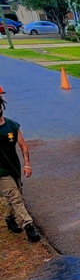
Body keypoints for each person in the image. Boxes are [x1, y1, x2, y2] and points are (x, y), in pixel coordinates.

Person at [0, 90, 40, 243]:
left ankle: (9, 218)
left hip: (13, 167)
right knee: (15, 198)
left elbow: (23, 146)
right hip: (1, 172)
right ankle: (29, 226)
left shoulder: (12, 126)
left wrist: (27, 165)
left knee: (17, 194)